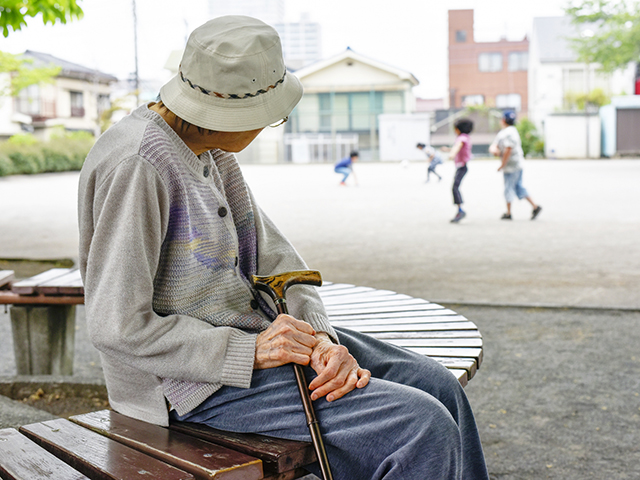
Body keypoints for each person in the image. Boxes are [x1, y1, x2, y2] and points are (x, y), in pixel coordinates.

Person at [77, 16, 488, 480]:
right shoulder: (138, 165)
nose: (270, 127)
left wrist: (320, 337)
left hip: (264, 340)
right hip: (188, 385)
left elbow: (279, 259)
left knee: (436, 385)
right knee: (419, 425)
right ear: (223, 110)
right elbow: (115, 325)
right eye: (271, 116)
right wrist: (249, 351)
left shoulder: (211, 150)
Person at [489, 111, 542, 220]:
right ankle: (535, 207)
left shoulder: (507, 133)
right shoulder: (511, 131)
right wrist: (495, 150)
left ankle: (508, 213)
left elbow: (508, 149)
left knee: (509, 188)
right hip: (518, 164)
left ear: (503, 120)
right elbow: (494, 146)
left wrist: (502, 164)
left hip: (511, 166)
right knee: (518, 187)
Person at [441, 118, 474, 223]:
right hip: (462, 166)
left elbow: (458, 146)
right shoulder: (466, 137)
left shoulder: (462, 138)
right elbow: (458, 147)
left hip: (462, 167)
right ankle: (459, 210)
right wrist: (449, 150)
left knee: (455, 187)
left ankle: (460, 210)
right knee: (455, 187)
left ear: (458, 129)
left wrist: (452, 154)